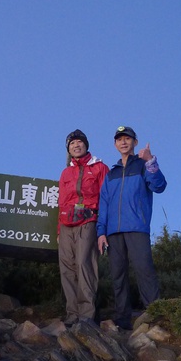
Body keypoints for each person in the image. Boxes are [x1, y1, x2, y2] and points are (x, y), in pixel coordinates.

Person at [96, 126, 167, 330]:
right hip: (113, 232)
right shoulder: (111, 174)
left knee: (145, 270)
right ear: (115, 144)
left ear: (135, 142)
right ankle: (122, 319)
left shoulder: (143, 165)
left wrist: (151, 160)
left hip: (137, 227)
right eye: (119, 139)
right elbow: (104, 205)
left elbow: (160, 186)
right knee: (118, 275)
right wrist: (101, 232)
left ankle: (155, 315)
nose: (123, 142)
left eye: (127, 138)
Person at [57, 129, 109, 325]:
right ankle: (72, 315)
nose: (76, 145)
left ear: (86, 145)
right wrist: (58, 231)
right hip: (66, 224)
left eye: (79, 142)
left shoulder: (99, 167)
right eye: (72, 144)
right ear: (68, 149)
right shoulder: (66, 172)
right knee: (67, 269)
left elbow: (106, 199)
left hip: (88, 221)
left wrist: (103, 229)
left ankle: (86, 316)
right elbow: (61, 202)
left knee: (84, 265)